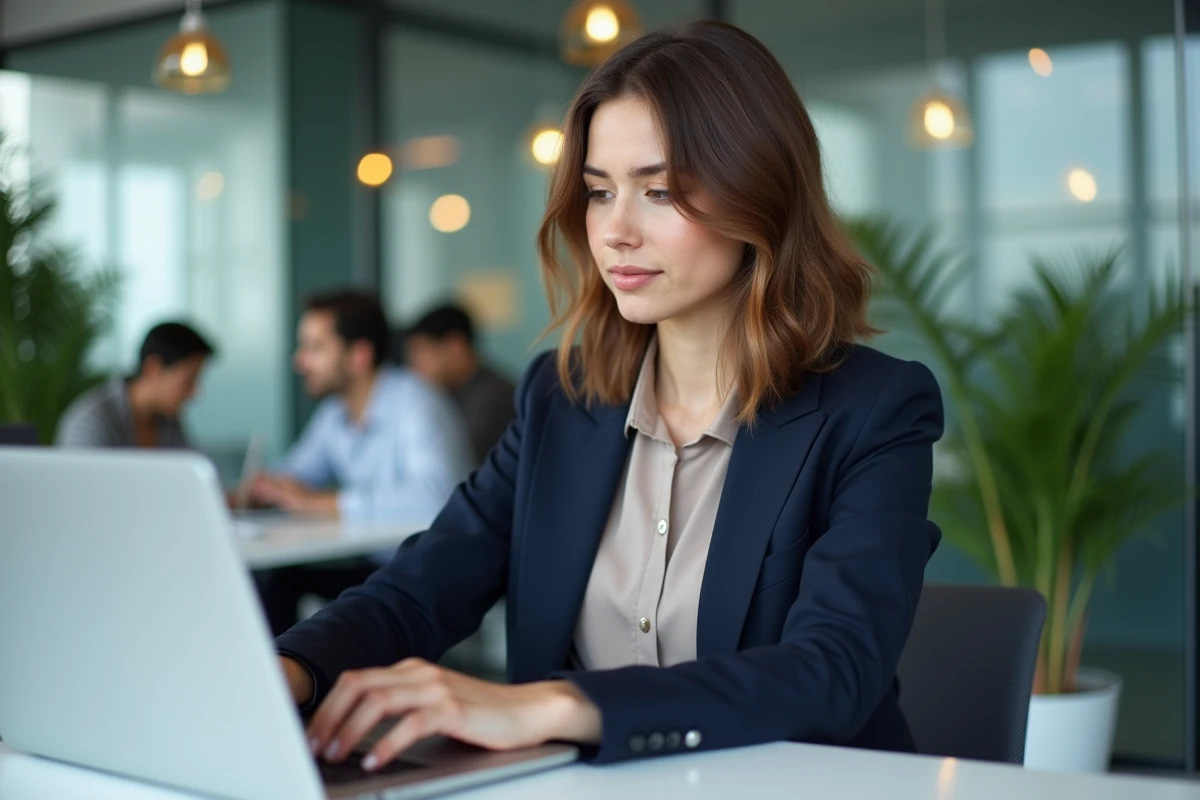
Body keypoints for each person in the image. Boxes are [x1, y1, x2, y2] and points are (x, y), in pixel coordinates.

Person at [275, 21, 944, 774]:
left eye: (659, 191)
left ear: (761, 193)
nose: (616, 232)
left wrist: (556, 706)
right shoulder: (562, 398)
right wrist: (287, 669)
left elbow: (833, 670)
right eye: (599, 192)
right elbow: (422, 588)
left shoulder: (874, 409)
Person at [251, 290, 474, 635]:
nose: (300, 362)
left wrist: (322, 503)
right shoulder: (334, 412)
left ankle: (290, 670)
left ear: (359, 356)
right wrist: (260, 490)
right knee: (278, 581)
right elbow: (296, 472)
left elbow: (436, 498)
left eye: (315, 348)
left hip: (433, 569)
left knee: (287, 587)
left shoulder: (415, 401)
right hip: (379, 561)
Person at [56, 321, 214, 449]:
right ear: (153, 369)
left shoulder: (169, 422)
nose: (195, 393)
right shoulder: (91, 421)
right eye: (188, 380)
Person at [402, 303, 516, 465]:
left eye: (421, 352)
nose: (412, 366)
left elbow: (454, 460)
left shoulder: (493, 398)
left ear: (456, 347)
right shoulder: (450, 392)